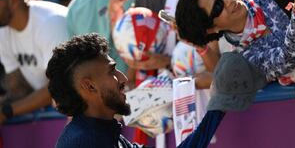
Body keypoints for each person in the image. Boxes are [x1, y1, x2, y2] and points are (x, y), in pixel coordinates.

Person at [46, 33, 225, 148]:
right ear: (90, 86)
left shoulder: (104, 134)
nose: (124, 78)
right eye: (112, 71)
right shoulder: (83, 142)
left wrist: (218, 104)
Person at [0, 0, 68, 123]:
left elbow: (59, 86)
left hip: (74, 110)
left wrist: (7, 111)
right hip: (46, 111)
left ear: (13, 0)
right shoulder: (3, 30)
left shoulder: (50, 23)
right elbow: (18, 88)